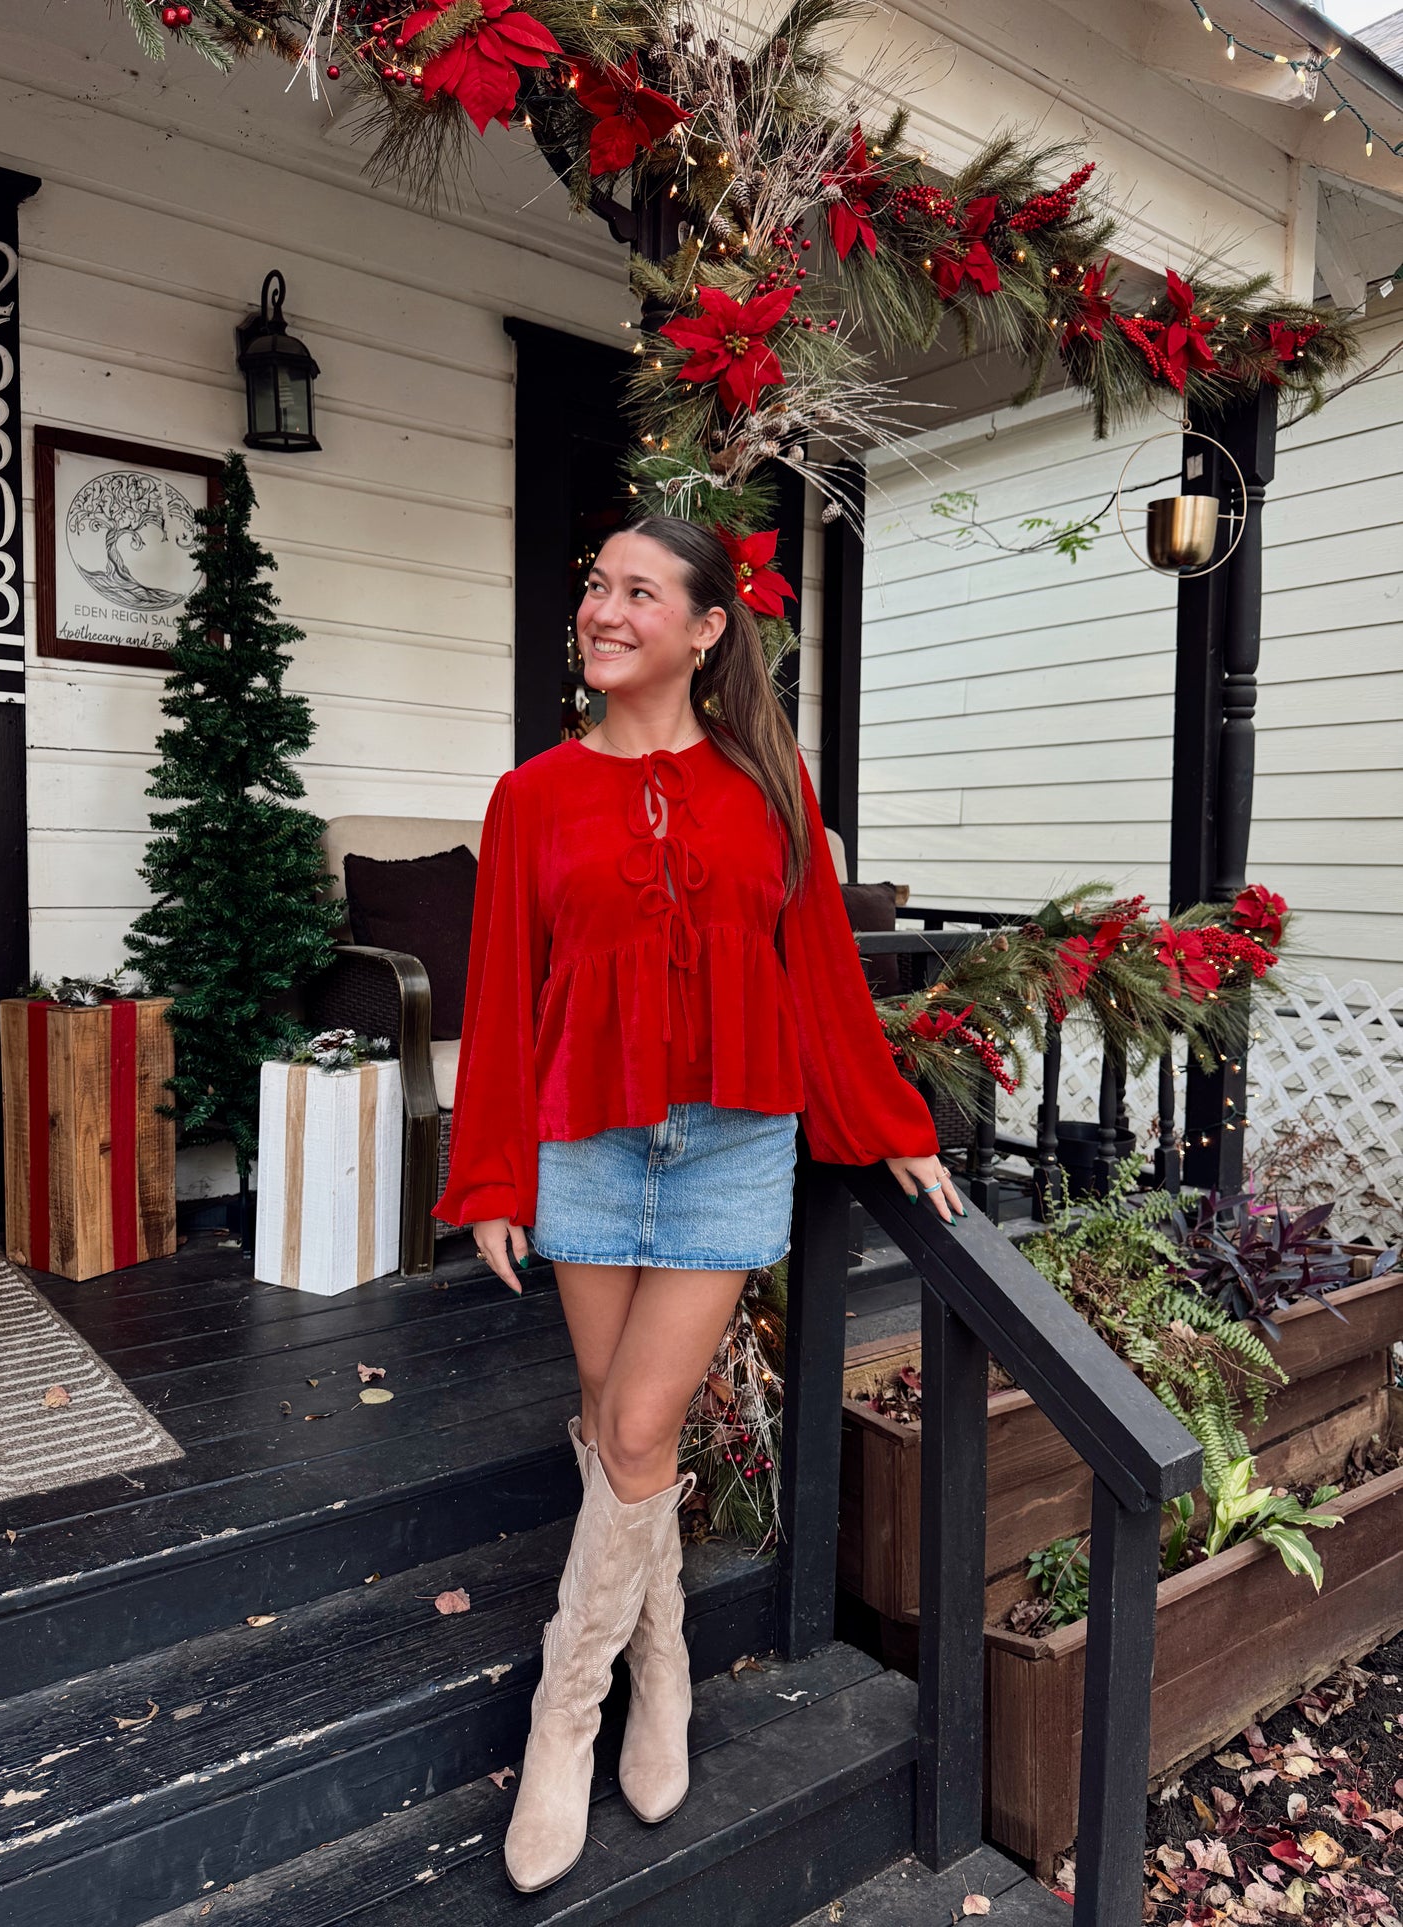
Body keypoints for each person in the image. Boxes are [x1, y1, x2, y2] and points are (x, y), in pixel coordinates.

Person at [434, 514, 964, 1893]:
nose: (604, 610)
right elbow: (497, 1001)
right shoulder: (530, 796)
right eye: (593, 587)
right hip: (586, 1147)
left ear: (706, 627)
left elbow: (821, 986)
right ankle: (657, 1665)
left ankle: (566, 1719)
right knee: (621, 1434)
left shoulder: (767, 786)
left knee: (636, 1419)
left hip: (729, 1150)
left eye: (636, 591)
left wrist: (889, 1126)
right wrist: (490, 1172)